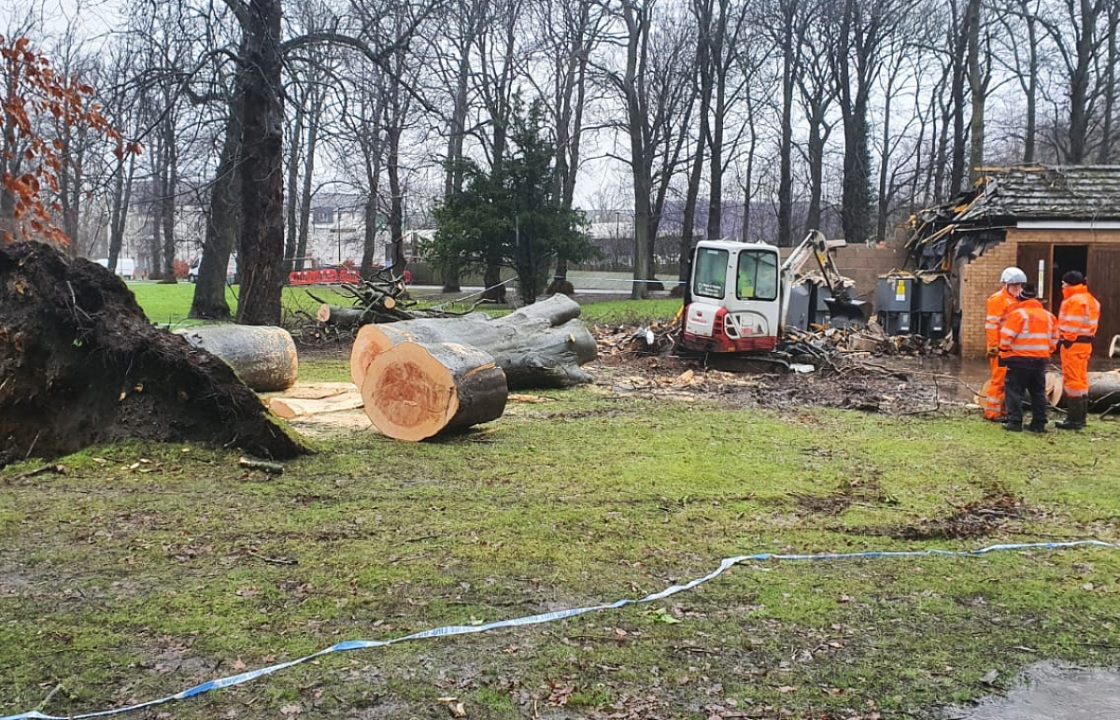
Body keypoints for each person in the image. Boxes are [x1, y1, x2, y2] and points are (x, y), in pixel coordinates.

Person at [998, 283, 1058, 433]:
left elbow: (1006, 338)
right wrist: (1045, 351)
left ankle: (1015, 422)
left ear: (1020, 298)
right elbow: (1055, 339)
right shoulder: (1049, 316)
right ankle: (1039, 423)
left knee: (1014, 391)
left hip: (1018, 360)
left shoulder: (1018, 315)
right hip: (1040, 361)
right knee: (1038, 392)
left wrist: (1003, 351)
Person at [1055, 271, 1101, 430]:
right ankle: (1081, 418)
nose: (1061, 286)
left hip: (1072, 345)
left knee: (1072, 381)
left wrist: (1065, 340)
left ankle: (1073, 420)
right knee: (1081, 380)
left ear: (1069, 284)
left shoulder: (1073, 301)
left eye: (1063, 283)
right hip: (1085, 344)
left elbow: (1070, 326)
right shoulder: (1091, 300)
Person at [983, 267, 1027, 421]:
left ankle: (1004, 410)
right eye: (1015, 285)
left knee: (1010, 380)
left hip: (1011, 347)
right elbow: (992, 325)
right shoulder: (997, 300)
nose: (1018, 288)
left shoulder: (1017, 300)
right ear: (1006, 285)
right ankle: (993, 413)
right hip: (1000, 348)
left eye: (1020, 285)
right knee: (999, 379)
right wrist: (994, 347)